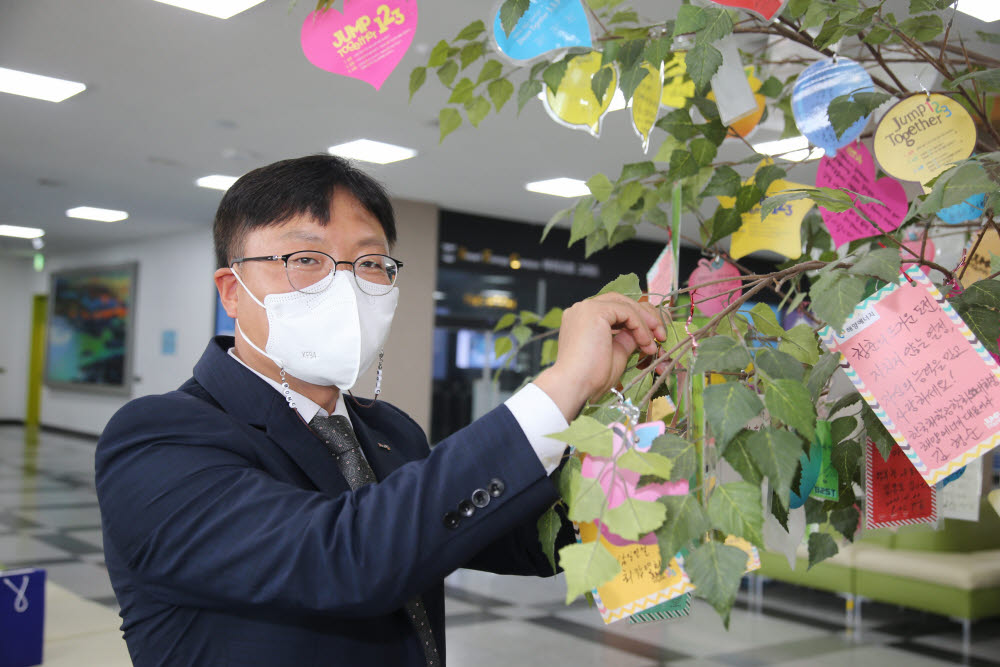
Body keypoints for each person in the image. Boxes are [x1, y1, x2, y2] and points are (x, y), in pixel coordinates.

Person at [96, 155, 666, 666]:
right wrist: (559, 387)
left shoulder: (388, 429)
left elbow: (521, 538)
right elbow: (344, 560)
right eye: (305, 258)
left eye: (370, 263)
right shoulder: (156, 437)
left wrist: (651, 422)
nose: (344, 285)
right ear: (231, 290)